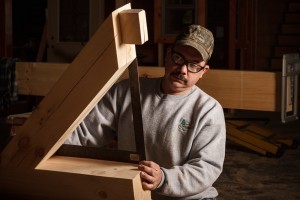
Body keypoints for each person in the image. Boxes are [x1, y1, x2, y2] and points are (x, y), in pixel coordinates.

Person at [65, 25, 226, 200]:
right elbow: (85, 133)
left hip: (190, 198)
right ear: (167, 55)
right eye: (178, 58)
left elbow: (206, 167)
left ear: (204, 71)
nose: (182, 70)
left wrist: (164, 179)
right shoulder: (126, 92)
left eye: (194, 65)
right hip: (135, 192)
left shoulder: (209, 110)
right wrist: (48, 146)